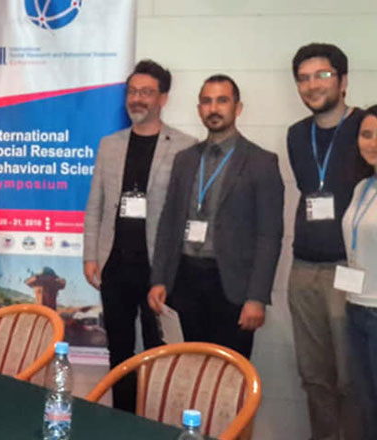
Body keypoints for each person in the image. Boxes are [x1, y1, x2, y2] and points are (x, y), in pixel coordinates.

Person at [83, 60, 197, 413]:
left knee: (157, 350)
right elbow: (95, 204)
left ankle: (154, 424)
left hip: (158, 269)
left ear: (163, 98)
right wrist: (90, 255)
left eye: (146, 92)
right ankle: (123, 420)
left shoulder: (185, 147)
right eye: (132, 92)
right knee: (118, 350)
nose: (137, 99)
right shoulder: (110, 145)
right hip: (115, 264)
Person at [147, 74, 284, 359]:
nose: (214, 108)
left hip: (233, 287)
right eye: (207, 101)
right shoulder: (184, 160)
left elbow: (269, 236)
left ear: (238, 108)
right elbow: (168, 223)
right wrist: (159, 279)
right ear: (199, 109)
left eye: (222, 100)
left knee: (229, 372)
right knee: (188, 368)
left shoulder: (261, 162)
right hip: (184, 282)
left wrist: (257, 297)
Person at [286, 43, 368, 440]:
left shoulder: (366, 128)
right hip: (303, 268)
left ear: (343, 80)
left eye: (322, 75)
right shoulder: (297, 135)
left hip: (350, 271)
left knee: (352, 379)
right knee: (313, 376)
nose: (312, 85)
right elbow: (308, 188)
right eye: (303, 78)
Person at [342, 105, 377, 440]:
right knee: (365, 405)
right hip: (355, 309)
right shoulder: (362, 187)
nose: (373, 143)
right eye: (367, 134)